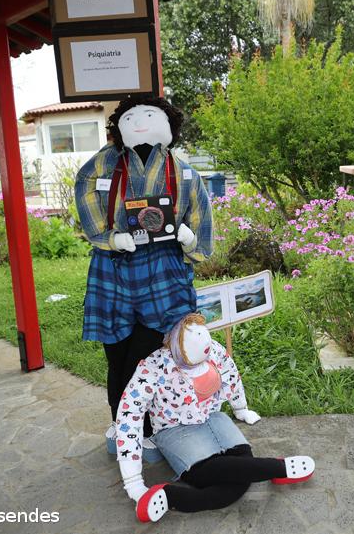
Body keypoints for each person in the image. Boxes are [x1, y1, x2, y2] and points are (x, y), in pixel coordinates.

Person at [74, 95, 213, 455]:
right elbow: (84, 186)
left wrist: (189, 237)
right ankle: (121, 422)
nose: (140, 122)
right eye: (131, 117)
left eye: (150, 116)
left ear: (169, 127)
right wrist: (108, 237)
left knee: (150, 354)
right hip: (114, 269)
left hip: (163, 271)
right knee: (116, 353)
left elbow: (200, 225)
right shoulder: (105, 164)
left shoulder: (184, 172)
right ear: (118, 126)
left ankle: (148, 423)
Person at [116, 313, 316, 523]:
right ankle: (277, 468)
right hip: (175, 428)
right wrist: (133, 481)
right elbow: (129, 415)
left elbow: (231, 374)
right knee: (210, 473)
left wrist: (241, 408)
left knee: (242, 467)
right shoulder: (152, 368)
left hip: (212, 418)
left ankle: (170, 496)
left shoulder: (212, 349)